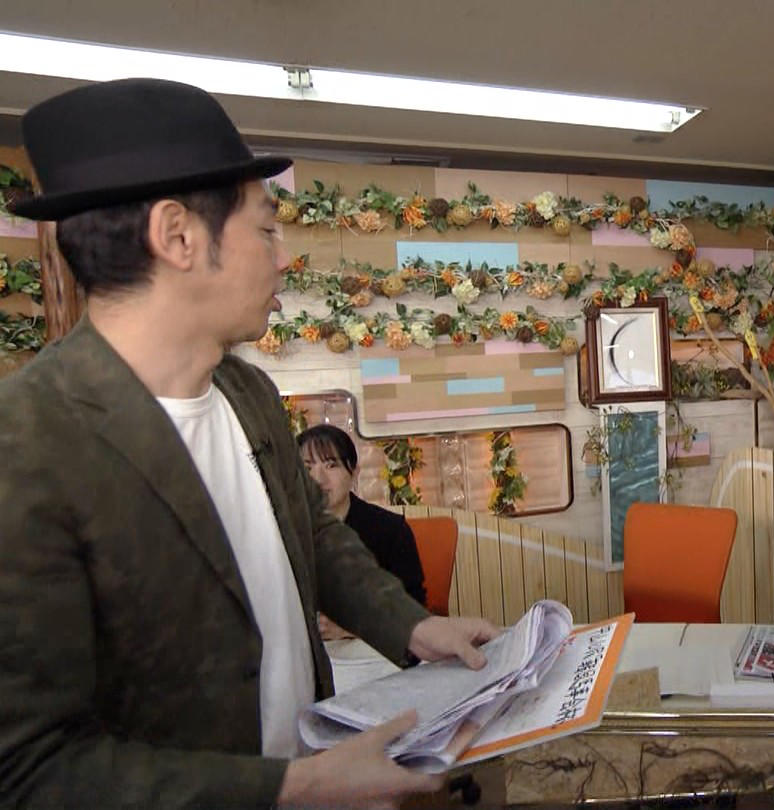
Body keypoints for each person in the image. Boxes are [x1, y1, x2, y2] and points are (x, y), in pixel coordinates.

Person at [0, 78, 500, 809]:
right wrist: (294, 788)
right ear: (178, 236)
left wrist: (415, 627)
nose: (283, 256)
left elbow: (312, 539)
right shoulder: (28, 442)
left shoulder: (248, 392)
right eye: (266, 230)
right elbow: (30, 768)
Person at [298, 425, 428, 611]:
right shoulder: (285, 532)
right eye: (307, 467)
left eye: (331, 465)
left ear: (354, 473)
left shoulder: (390, 530)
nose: (318, 479)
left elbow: (413, 604)